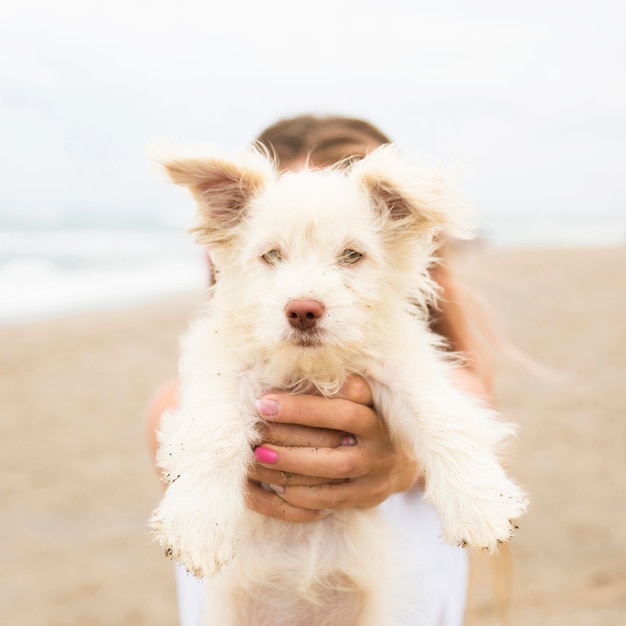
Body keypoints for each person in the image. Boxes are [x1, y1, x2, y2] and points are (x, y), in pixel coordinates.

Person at [145, 114, 494, 625]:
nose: (304, 295)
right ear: (227, 243)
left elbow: (457, 397)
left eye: (350, 254)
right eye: (273, 253)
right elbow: (177, 411)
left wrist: (406, 460)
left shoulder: (410, 354)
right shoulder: (216, 361)